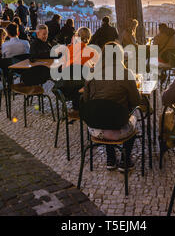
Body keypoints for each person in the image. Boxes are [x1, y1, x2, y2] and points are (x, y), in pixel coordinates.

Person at [83, 41, 141, 171]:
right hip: (118, 128)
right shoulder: (126, 74)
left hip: (95, 128)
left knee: (106, 113)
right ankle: (125, 159)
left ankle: (110, 158)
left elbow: (86, 100)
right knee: (131, 117)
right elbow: (136, 101)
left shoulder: (91, 73)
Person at [55, 27, 100, 112]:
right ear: (89, 38)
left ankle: (76, 107)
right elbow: (97, 70)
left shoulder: (68, 49)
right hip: (83, 87)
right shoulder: (92, 52)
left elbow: (62, 68)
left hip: (66, 87)